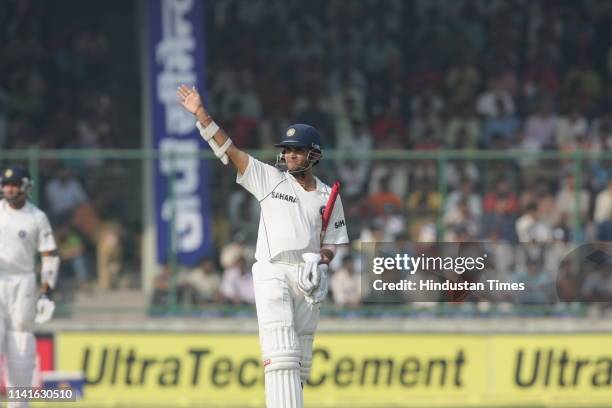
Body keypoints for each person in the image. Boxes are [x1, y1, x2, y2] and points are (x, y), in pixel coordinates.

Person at [178, 85, 349, 408]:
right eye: (286, 150)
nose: (288, 156)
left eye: (296, 151)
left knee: (299, 363)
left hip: (307, 277)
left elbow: (332, 242)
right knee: (281, 354)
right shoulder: (269, 178)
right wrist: (202, 115)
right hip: (272, 270)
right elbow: (229, 150)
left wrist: (320, 261)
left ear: (313, 155)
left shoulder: (328, 195)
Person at [0, 165, 59, 407]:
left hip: (23, 283)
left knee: (21, 344)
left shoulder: (37, 217)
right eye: (6, 184)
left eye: (14, 184)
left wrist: (46, 292)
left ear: (26, 186)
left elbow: (49, 255)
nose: (9, 189)